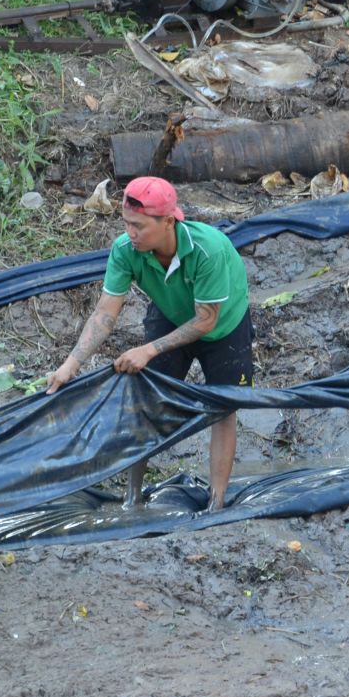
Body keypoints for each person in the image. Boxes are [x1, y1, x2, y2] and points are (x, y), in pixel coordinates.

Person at [45, 177, 252, 511]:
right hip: (171, 313)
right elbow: (105, 314)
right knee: (146, 401)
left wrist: (150, 349)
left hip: (223, 325)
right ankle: (132, 500)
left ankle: (217, 503)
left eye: (139, 226)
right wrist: (71, 365)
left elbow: (205, 321)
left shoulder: (207, 249)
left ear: (169, 221)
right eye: (126, 224)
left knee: (223, 408)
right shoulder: (126, 250)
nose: (130, 233)